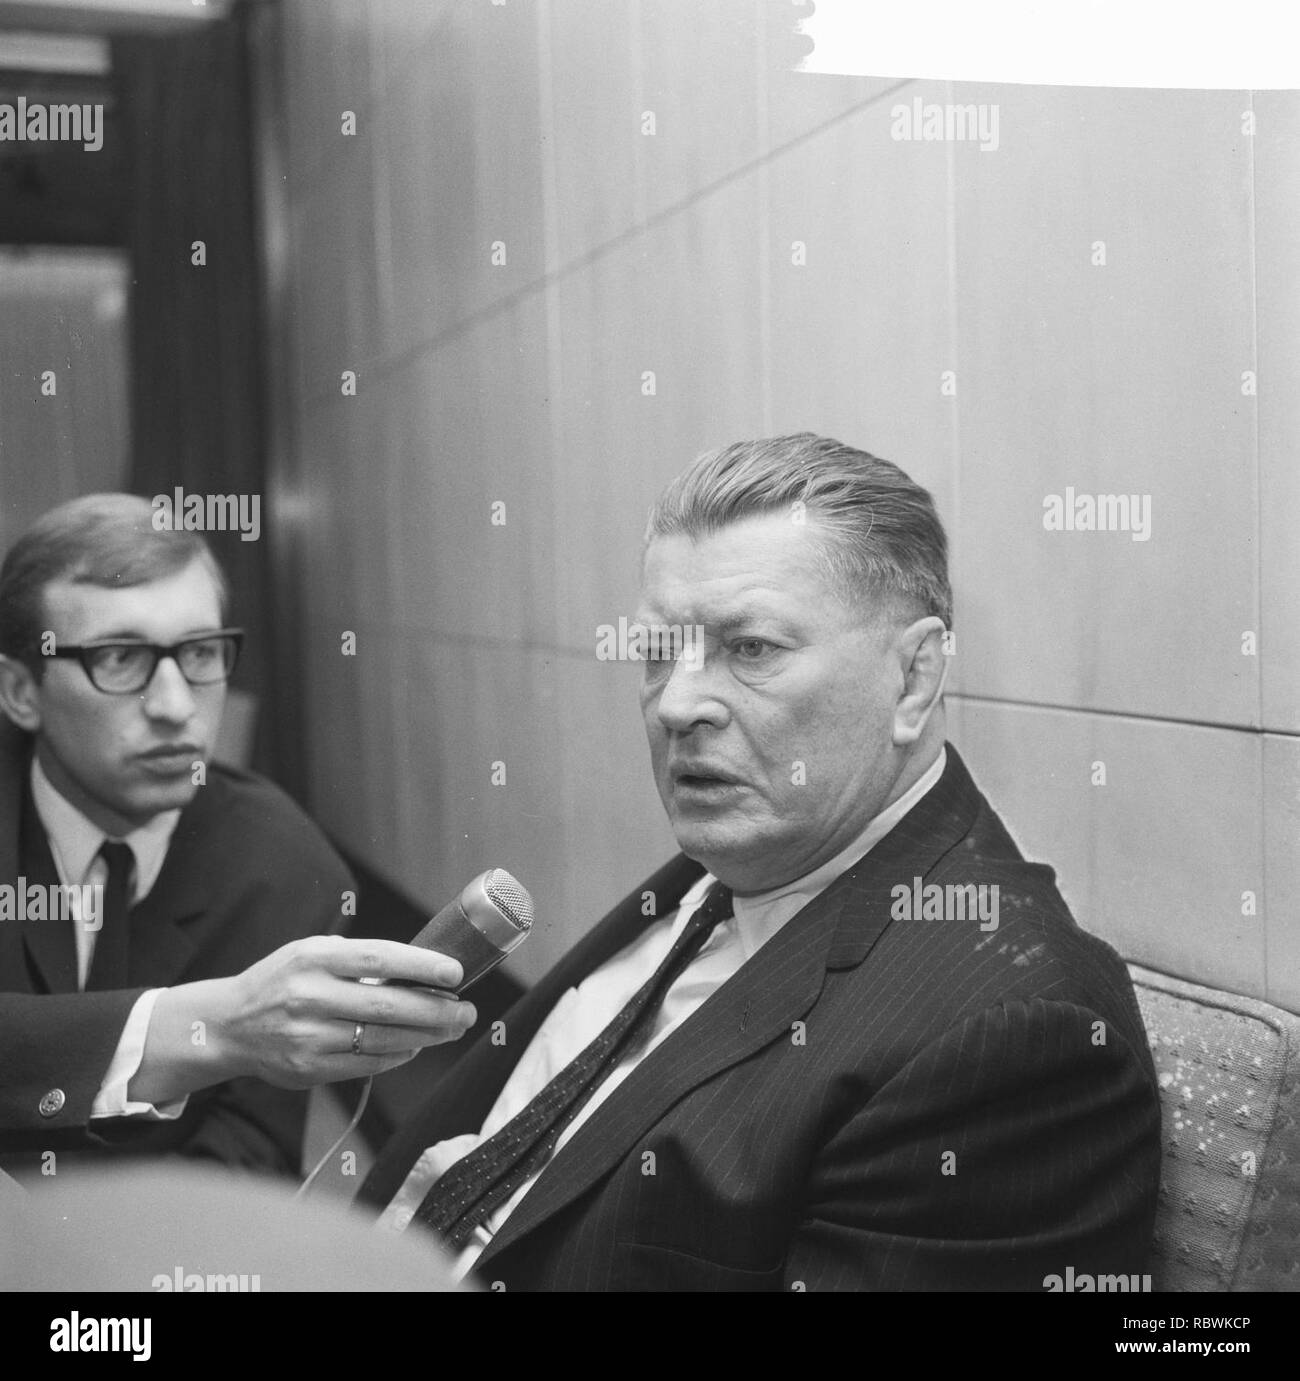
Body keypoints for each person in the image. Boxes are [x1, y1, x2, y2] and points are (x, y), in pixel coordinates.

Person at [358, 433, 1163, 1291]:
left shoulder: (1014, 1039)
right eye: (658, 650)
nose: (676, 703)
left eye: (752, 649)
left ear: (915, 679)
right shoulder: (749, 855)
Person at [0, 494, 475, 1179]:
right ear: (21, 692)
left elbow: (245, 1155)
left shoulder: (289, 868)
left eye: (198, 651)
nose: (174, 705)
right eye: (119, 657)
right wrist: (213, 1024)